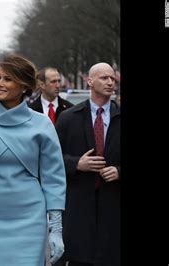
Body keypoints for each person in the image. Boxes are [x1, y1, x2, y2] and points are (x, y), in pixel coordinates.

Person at [0, 54, 66, 265]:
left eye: (7, 79)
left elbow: (54, 177)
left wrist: (56, 228)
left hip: (31, 218)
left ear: (23, 86)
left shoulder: (43, 125)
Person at [55, 63, 120, 266]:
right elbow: (50, 160)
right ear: (89, 81)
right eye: (104, 78)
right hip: (79, 209)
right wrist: (77, 164)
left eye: (113, 79)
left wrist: (119, 171)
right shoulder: (68, 118)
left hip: (114, 211)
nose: (110, 82)